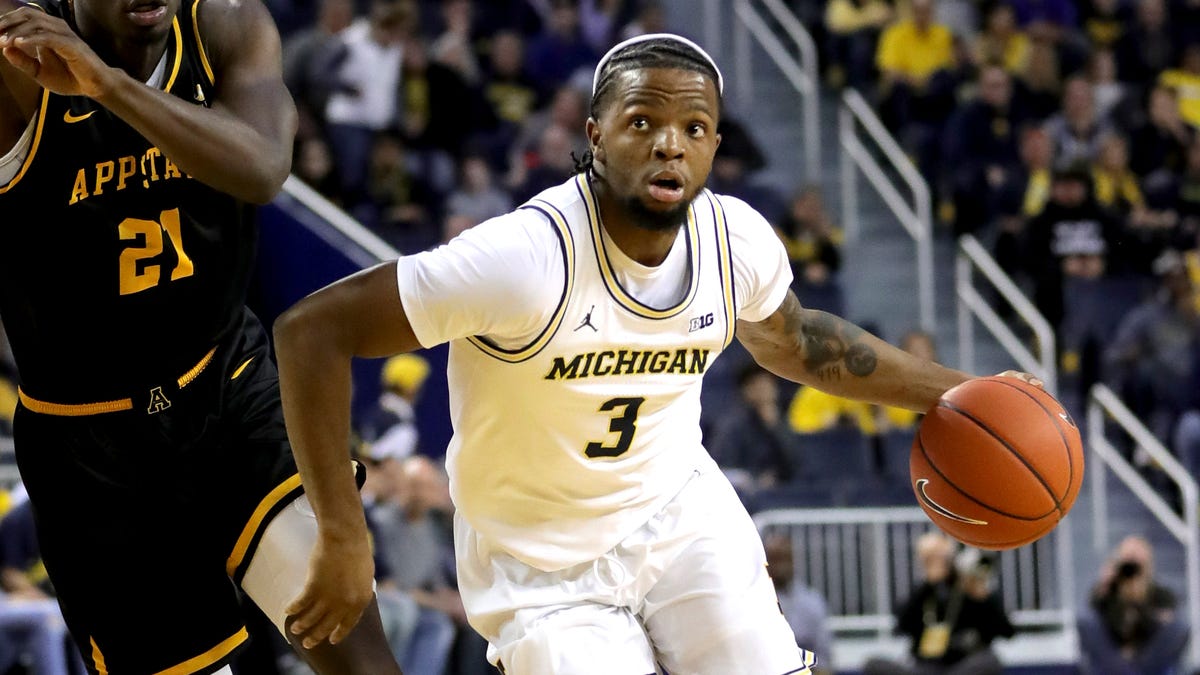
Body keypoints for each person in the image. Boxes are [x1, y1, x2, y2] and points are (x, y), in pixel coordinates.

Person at [272, 32, 1037, 674]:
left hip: (676, 517)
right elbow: (311, 331)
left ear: (713, 147)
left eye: (694, 128)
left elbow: (799, 342)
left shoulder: (735, 240)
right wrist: (343, 532)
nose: (670, 142)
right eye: (643, 122)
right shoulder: (521, 259)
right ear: (596, 134)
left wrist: (960, 392)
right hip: (540, 562)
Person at [0, 0, 404, 671]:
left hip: (227, 388)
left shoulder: (224, 24)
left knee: (359, 654)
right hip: (93, 445)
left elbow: (263, 169)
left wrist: (106, 84)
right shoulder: (18, 60)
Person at [864, 533, 1015, 675]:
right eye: (929, 560)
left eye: (940, 559)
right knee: (873, 664)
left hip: (964, 665)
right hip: (924, 666)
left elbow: (1008, 632)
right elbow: (901, 626)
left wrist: (981, 598)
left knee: (990, 661)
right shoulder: (923, 592)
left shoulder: (975, 593)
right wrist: (929, 584)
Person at [1077, 535, 1190, 675]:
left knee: (1180, 625)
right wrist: (1109, 587)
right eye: (1128, 563)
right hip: (1112, 659)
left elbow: (1162, 632)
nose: (1131, 570)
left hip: (1147, 660)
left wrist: (1140, 602)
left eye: (1137, 564)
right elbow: (1095, 628)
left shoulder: (1162, 594)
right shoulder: (1107, 592)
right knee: (1086, 620)